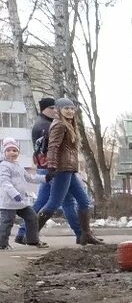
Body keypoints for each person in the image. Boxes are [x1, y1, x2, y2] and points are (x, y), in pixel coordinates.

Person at [35, 98, 103, 245]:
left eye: (72, 109)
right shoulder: (59, 125)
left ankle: (85, 235)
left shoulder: (69, 125)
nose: (70, 111)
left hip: (69, 170)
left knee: (84, 202)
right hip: (61, 170)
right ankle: (31, 234)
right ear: (59, 110)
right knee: (53, 203)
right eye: (66, 108)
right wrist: (51, 166)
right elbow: (52, 147)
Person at [17, 97, 80, 245]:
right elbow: (49, 149)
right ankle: (81, 234)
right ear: (44, 109)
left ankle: (23, 232)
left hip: (46, 168)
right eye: (52, 108)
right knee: (65, 203)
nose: (55, 110)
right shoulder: (45, 125)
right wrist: (52, 166)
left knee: (43, 202)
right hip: (51, 169)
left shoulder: (44, 123)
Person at [0, 138, 44, 249]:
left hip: (21, 201)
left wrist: (45, 178)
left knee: (32, 216)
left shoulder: (18, 165)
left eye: (14, 150)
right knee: (7, 223)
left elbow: (30, 178)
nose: (12, 153)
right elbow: (5, 182)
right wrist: (14, 194)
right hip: (9, 201)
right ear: (4, 152)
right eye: (8, 150)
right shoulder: (4, 166)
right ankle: (2, 244)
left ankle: (32, 241)